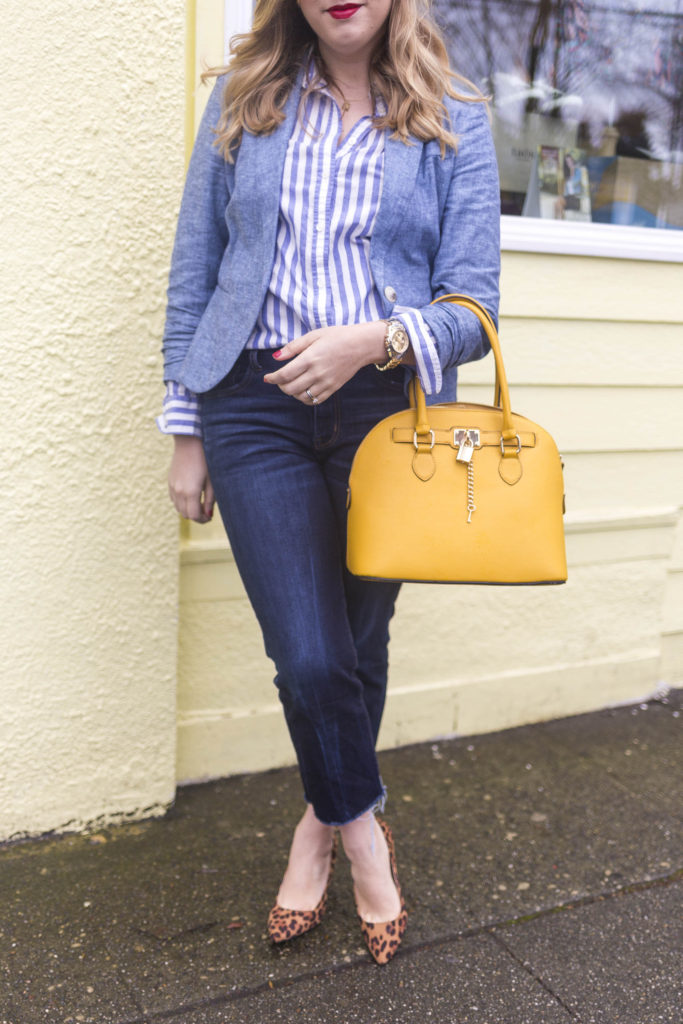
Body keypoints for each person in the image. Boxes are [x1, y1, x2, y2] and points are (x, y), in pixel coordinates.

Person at [158, 0, 500, 965]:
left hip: (388, 413)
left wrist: (374, 340)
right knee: (309, 656)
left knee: (355, 642)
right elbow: (196, 269)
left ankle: (316, 824)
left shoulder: (453, 116)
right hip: (250, 404)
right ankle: (361, 836)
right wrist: (186, 427)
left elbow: (475, 308)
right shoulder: (245, 96)